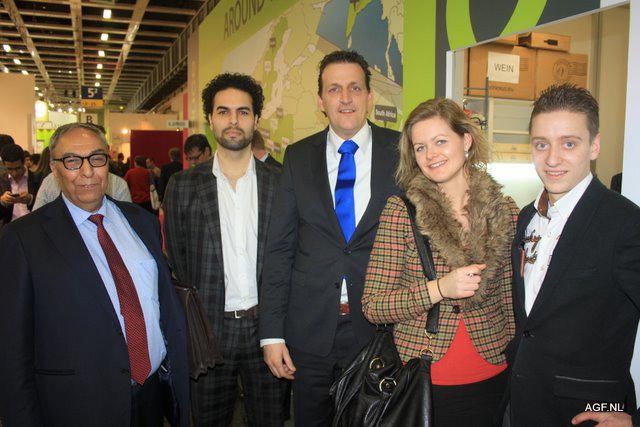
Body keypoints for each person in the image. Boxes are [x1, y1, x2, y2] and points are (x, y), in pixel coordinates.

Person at [0, 122, 189, 426]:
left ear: (108, 163)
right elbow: (12, 351)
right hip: (78, 405)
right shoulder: (24, 238)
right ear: (54, 169)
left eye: (96, 158)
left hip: (151, 396)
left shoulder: (142, 222)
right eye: (72, 161)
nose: (87, 171)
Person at [259, 50, 400, 426]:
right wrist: (271, 335)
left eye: (355, 87)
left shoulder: (402, 152)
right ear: (321, 101)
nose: (346, 98)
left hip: (379, 330)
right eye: (334, 89)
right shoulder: (297, 157)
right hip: (309, 331)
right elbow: (280, 248)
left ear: (370, 96)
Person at [362, 98, 518, 426]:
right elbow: (373, 306)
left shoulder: (504, 210)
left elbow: (509, 298)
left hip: (492, 372)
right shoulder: (401, 211)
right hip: (422, 378)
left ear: (466, 140)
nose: (430, 154)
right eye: (420, 147)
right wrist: (439, 289)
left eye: (440, 141)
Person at [505, 84, 640, 426]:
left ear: (594, 145)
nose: (552, 159)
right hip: (521, 405)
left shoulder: (626, 224)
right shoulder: (527, 217)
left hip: (587, 414)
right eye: (541, 144)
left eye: (569, 144)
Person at [164, 73, 285, 426]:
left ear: (256, 120)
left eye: (243, 112)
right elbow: (178, 261)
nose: (233, 120)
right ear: (210, 119)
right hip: (208, 331)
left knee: (271, 420)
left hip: (269, 328)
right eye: (223, 111)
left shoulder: (280, 183)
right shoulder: (183, 186)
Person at [33, 170, 132, 210]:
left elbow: (127, 220)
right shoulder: (50, 181)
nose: (88, 172)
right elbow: (37, 218)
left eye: (96, 158)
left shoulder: (118, 184)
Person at [1, 143, 41, 226]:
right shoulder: (1, 181)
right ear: (4, 164)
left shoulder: (37, 178)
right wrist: (2, 202)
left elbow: (46, 206)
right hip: (10, 227)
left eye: (18, 168)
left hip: (33, 225)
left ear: (24, 162)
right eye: (9, 169)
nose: (14, 173)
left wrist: (30, 199)